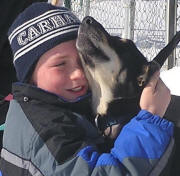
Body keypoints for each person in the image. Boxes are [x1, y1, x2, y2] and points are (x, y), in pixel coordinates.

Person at [0, 2, 174, 176]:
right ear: (30, 77)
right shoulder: (45, 131)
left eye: (84, 61)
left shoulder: (57, 105)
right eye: (60, 64)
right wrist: (149, 120)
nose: (78, 74)